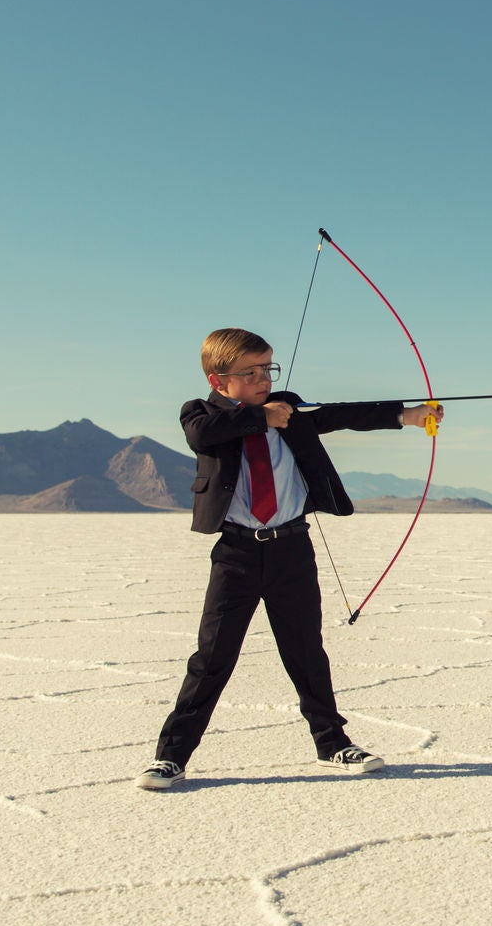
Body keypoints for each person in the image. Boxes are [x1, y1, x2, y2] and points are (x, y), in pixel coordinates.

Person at [136, 327, 440, 791]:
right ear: (219, 382)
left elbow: (340, 415)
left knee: (305, 651)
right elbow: (203, 434)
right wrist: (260, 419)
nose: (263, 379)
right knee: (213, 657)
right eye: (251, 372)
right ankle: (171, 757)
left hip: (291, 549)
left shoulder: (289, 409)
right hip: (236, 554)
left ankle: (332, 743)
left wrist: (408, 416)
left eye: (267, 369)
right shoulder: (201, 413)